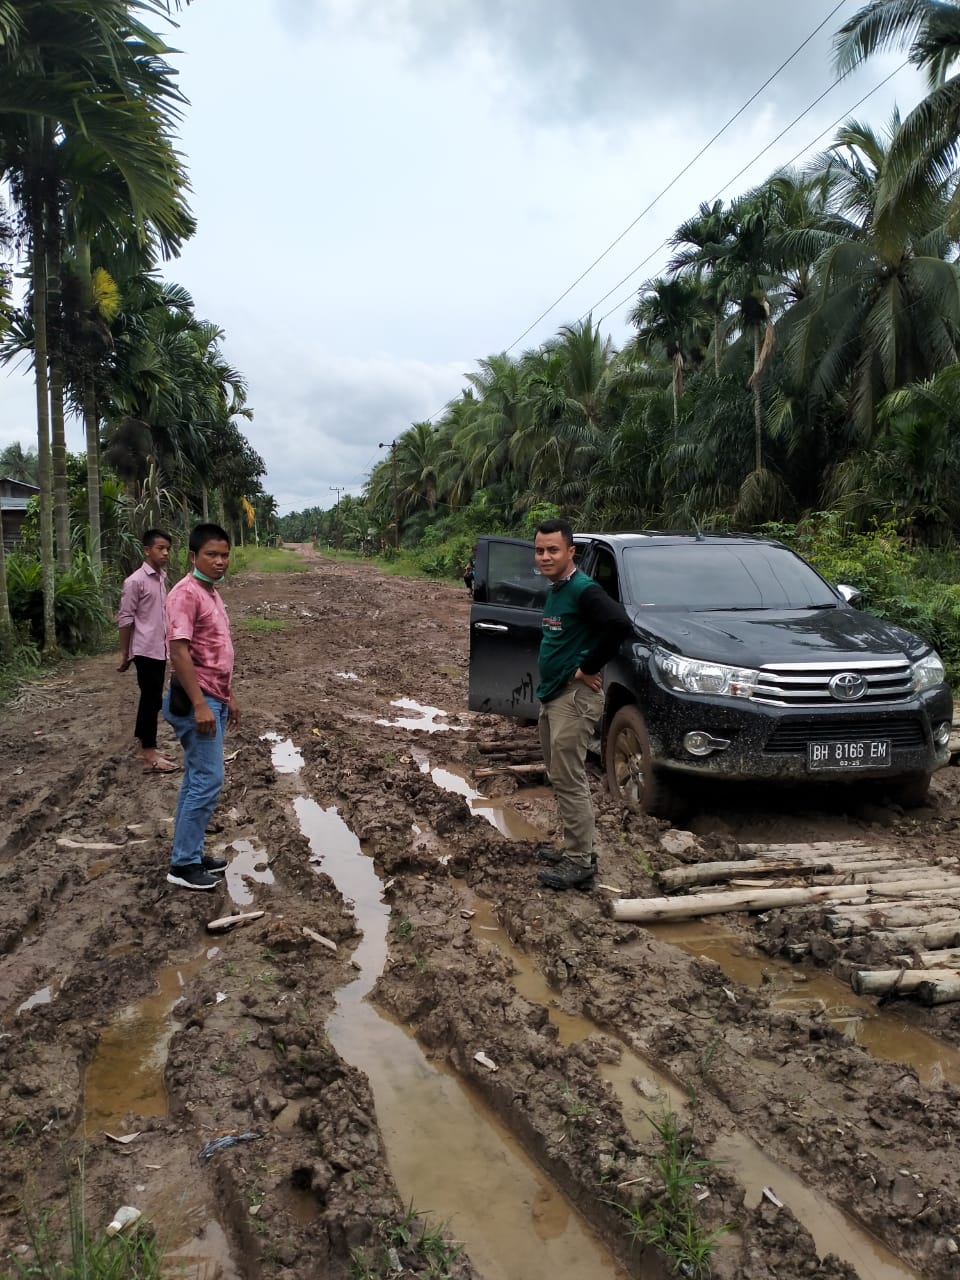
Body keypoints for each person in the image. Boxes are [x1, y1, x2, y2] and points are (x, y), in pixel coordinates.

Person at [532, 519, 633, 891]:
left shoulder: (583, 589)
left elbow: (619, 624)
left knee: (571, 778)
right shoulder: (557, 589)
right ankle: (575, 848)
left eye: (553, 550)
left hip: (574, 699)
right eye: (540, 550)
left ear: (570, 552)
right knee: (559, 774)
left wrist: (587, 667)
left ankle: (579, 861)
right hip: (554, 694)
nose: (545, 556)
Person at [163, 523, 239, 891]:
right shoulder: (185, 594)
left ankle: (188, 852)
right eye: (211, 554)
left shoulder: (210, 592)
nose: (219, 561)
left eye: (224, 555)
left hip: (214, 697)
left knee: (197, 778)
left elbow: (215, 652)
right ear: (192, 557)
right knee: (209, 780)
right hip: (197, 700)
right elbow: (178, 651)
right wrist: (200, 704)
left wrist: (228, 697)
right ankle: (182, 865)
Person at [116, 528, 177, 773]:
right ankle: (148, 751)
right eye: (160, 548)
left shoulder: (161, 578)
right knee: (151, 700)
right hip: (144, 649)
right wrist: (125, 653)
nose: (165, 553)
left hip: (159, 648)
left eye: (168, 549)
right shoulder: (135, 581)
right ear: (147, 550)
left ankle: (145, 745)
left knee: (151, 699)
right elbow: (125, 618)